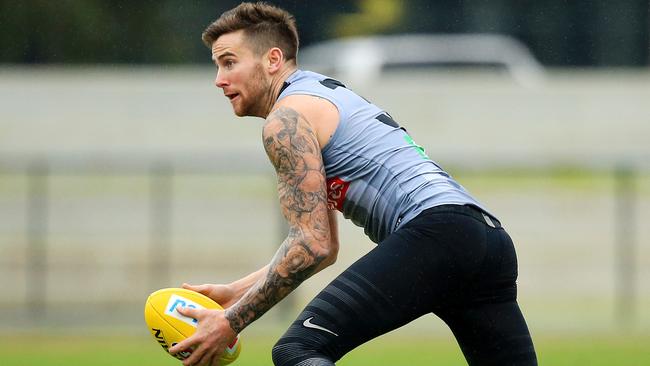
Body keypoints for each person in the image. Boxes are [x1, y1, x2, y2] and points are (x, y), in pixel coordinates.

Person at [169, 2, 538, 365]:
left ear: (273, 60)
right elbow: (322, 247)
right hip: (486, 239)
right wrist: (237, 292)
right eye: (217, 65)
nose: (219, 79)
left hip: (438, 235)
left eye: (229, 62)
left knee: (297, 351)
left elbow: (310, 245)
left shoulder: (286, 120)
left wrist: (230, 322)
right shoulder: (320, 93)